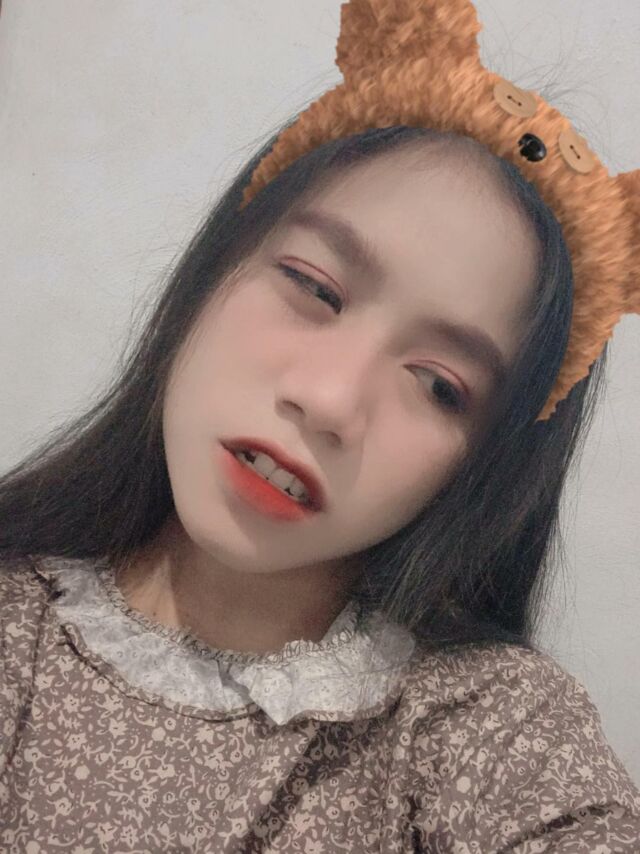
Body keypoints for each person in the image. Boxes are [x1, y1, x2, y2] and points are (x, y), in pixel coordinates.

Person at [1, 0, 639, 850]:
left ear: (485, 468)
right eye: (315, 287)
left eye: (439, 386)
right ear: (214, 267)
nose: (331, 400)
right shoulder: (19, 630)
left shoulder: (486, 726)